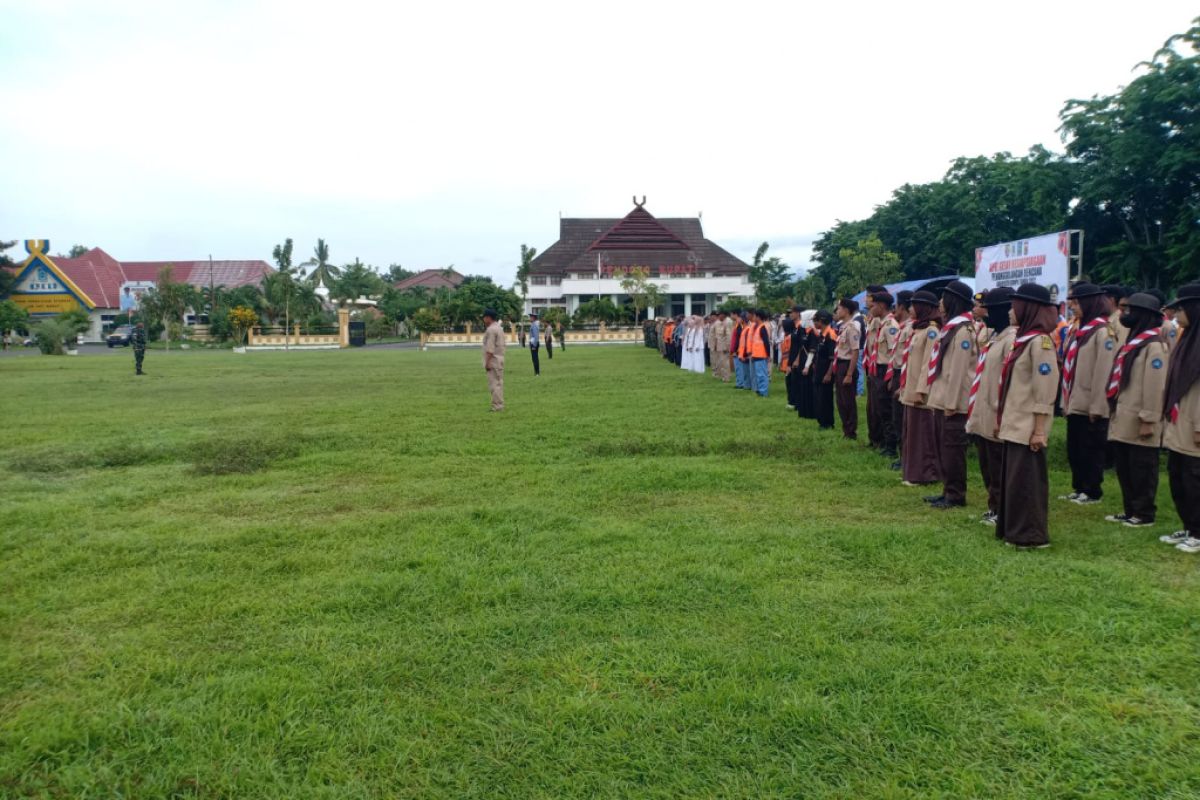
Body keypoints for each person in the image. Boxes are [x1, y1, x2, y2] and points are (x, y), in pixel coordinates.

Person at [995, 283, 1061, 549]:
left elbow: (1044, 389)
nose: (1011, 311)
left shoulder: (1040, 343)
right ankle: (1014, 529)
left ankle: (1031, 534)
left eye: (1016, 305)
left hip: (1028, 425)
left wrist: (1040, 429)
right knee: (1015, 481)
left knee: (1028, 483)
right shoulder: (1023, 340)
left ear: (1028, 307)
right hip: (1015, 422)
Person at [1105, 292, 1168, 528]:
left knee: (1142, 468)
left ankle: (1143, 513)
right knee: (1125, 466)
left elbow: (1155, 387)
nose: (1125, 315)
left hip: (1140, 418)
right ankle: (1130, 509)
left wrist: (1149, 419)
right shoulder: (1134, 342)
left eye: (1131, 311)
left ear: (1143, 315)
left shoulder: (1154, 347)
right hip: (1124, 415)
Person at [1060, 282, 1115, 505]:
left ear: (1090, 302)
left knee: (1091, 448)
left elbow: (1103, 373)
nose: (1073, 307)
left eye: (1076, 302)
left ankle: (1092, 490)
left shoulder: (1102, 332)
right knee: (1076, 448)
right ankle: (1079, 486)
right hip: (1075, 400)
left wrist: (1098, 406)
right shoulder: (1081, 330)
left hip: (1091, 403)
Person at [925, 280, 978, 509]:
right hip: (943, 398)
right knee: (943, 448)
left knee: (953, 450)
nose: (940, 303)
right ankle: (947, 489)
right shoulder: (952, 328)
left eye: (944, 298)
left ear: (953, 300)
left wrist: (952, 403)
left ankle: (956, 495)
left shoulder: (964, 331)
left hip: (953, 402)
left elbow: (958, 371)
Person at [965, 288, 1015, 525]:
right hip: (983, 408)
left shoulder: (1011, 338)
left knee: (997, 464)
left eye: (991, 310)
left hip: (996, 410)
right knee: (987, 462)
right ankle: (993, 505)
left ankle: (1001, 508)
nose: (986, 314)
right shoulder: (996, 336)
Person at [1160, 284, 1200, 551]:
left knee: (1194, 478)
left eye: (1181, 308)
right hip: (1179, 419)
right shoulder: (1187, 339)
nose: (1176, 313)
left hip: (1194, 422)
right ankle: (1188, 525)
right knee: (1178, 474)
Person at [899, 291, 941, 486]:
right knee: (912, 432)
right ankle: (912, 471)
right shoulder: (919, 329)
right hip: (910, 389)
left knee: (922, 434)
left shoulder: (932, 331)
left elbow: (928, 364)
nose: (910, 309)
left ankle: (925, 473)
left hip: (920, 393)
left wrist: (921, 389)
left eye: (914, 306)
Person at [869, 292, 901, 459]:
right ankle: (886, 443)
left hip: (885, 371)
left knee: (887, 410)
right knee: (881, 408)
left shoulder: (890, 326)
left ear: (881, 306)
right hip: (878, 369)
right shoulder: (882, 324)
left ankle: (891, 447)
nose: (871, 308)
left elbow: (894, 352)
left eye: (873, 305)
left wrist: (889, 378)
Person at [887, 291, 914, 470]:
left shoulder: (911, 328)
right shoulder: (903, 326)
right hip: (897, 372)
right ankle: (901, 454)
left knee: (903, 419)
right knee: (897, 418)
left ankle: (906, 457)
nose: (893, 309)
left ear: (903, 307)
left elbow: (910, 358)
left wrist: (903, 384)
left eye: (896, 305)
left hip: (904, 373)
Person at [830, 298, 860, 438]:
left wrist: (849, 373)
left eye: (840, 308)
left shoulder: (852, 327)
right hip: (840, 364)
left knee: (847, 400)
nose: (838, 311)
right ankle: (845, 429)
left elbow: (855, 351)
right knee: (840, 400)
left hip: (847, 365)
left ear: (847, 311)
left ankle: (851, 431)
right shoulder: (843, 327)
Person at [809, 309, 837, 430]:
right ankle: (821, 421)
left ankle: (827, 423)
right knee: (818, 398)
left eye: (815, 321)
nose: (814, 324)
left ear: (821, 320)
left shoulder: (831, 335)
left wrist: (829, 374)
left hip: (826, 372)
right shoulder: (822, 334)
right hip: (819, 371)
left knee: (825, 398)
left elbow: (833, 357)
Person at [481, 308, 506, 411]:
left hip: (493, 360)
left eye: (484, 317)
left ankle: (497, 406)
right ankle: (499, 405)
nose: (483, 320)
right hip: (500, 358)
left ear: (488, 318)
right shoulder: (499, 328)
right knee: (499, 383)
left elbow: (490, 349)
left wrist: (487, 363)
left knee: (494, 384)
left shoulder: (491, 330)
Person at [713, 311, 733, 382]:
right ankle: (724, 376)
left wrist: (727, 346)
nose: (718, 317)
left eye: (719, 315)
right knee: (722, 362)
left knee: (725, 362)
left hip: (724, 346)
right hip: (721, 345)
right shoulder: (723, 322)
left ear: (723, 315)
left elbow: (729, 335)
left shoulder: (728, 322)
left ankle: (726, 377)